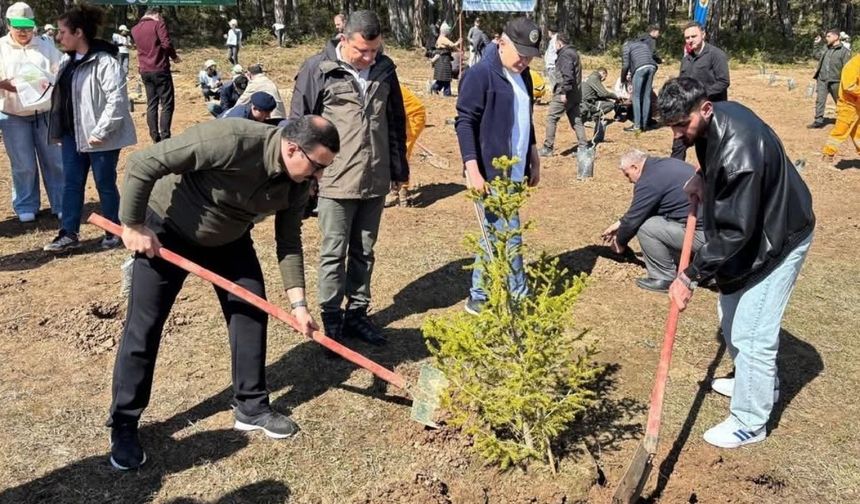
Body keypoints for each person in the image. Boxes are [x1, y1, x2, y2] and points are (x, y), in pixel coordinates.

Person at [106, 115, 339, 471]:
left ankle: (251, 406)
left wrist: (299, 304)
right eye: (318, 166)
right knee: (145, 325)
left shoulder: (296, 182)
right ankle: (124, 421)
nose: (319, 177)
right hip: (167, 229)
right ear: (292, 148)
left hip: (229, 239)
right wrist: (133, 225)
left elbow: (288, 241)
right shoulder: (231, 139)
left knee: (250, 311)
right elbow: (143, 162)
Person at [658, 77, 815, 449]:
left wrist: (690, 275)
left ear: (705, 108)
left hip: (779, 235)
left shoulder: (738, 153)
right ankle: (758, 380)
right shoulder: (714, 123)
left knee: (752, 332)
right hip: (755, 223)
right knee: (729, 315)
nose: (680, 134)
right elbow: (718, 166)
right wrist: (703, 177)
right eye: (673, 127)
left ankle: (750, 421)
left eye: (684, 124)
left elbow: (735, 232)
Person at [291, 10, 409, 347]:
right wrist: (305, 177)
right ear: (344, 40)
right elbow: (298, 125)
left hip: (375, 178)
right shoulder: (318, 69)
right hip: (334, 181)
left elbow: (395, 120)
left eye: (374, 50)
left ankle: (358, 314)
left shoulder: (385, 70)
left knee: (365, 251)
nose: (369, 57)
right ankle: (332, 319)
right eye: (362, 51)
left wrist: (398, 169)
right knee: (333, 252)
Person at [456, 17, 541, 315]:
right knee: (511, 235)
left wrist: (534, 157)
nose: (525, 62)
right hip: (491, 175)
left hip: (517, 171)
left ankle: (478, 295)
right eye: (521, 55)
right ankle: (519, 298)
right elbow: (465, 122)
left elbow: (525, 119)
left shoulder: (524, 75)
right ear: (501, 42)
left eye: (531, 57)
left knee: (492, 233)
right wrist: (473, 169)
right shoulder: (480, 75)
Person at [43, 4, 137, 252]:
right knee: (71, 184)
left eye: (63, 32)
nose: (58, 37)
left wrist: (100, 132)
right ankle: (68, 234)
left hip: (100, 137)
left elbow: (116, 101)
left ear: (79, 33)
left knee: (105, 183)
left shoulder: (105, 62)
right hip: (72, 135)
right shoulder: (66, 61)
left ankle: (113, 231)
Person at [600, 150, 704, 292]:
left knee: (646, 227)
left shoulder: (648, 181)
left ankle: (664, 278)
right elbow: (645, 209)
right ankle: (695, 266)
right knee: (654, 221)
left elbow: (634, 220)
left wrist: (619, 244)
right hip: (718, 229)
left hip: (704, 235)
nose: (629, 180)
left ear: (634, 167)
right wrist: (619, 223)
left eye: (627, 174)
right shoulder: (664, 165)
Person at [0, 2, 64, 223]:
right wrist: (21, 87)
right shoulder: (1, 48)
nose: (23, 31)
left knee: (55, 161)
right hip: (13, 115)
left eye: (27, 26)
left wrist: (47, 84)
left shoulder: (46, 45)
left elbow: (59, 71)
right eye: (18, 26)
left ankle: (61, 202)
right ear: (9, 25)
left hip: (45, 113)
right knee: (23, 164)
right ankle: (26, 204)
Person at [672, 21, 730, 160]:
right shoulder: (686, 58)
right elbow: (682, 81)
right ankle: (673, 173)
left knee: (706, 148)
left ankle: (709, 177)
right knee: (679, 143)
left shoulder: (716, 55)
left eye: (694, 36)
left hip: (711, 110)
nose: (690, 40)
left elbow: (723, 82)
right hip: (688, 109)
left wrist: (701, 95)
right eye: (687, 38)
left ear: (703, 35)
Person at [131, 6, 179, 143]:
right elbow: (166, 44)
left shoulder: (135, 29)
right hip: (160, 68)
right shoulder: (158, 24)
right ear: (156, 15)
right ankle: (165, 136)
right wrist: (174, 57)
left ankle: (154, 136)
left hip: (145, 71)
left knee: (151, 104)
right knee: (167, 103)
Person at [539, 32, 587, 156]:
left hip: (565, 92)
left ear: (559, 43)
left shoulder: (564, 55)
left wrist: (564, 92)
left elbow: (568, 76)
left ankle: (547, 147)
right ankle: (583, 148)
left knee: (551, 118)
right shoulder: (573, 53)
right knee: (576, 120)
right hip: (576, 93)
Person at [385, 84, 426, 208]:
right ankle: (394, 189)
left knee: (400, 154)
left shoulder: (385, 87)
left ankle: (403, 193)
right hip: (402, 116)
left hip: (413, 116)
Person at [809, 28, 851, 129]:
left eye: (829, 36)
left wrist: (845, 82)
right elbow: (816, 56)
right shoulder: (825, 48)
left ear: (836, 37)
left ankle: (846, 121)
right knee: (820, 100)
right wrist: (816, 44)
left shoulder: (844, 51)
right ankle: (818, 121)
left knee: (840, 101)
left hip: (836, 81)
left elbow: (847, 68)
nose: (826, 38)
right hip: (822, 79)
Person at [822, 54, 860, 160]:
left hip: (857, 105)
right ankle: (827, 154)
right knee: (840, 131)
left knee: (858, 133)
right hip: (848, 106)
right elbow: (849, 86)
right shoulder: (853, 65)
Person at [621, 32, 659, 133]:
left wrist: (622, 79)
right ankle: (645, 124)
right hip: (652, 67)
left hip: (640, 68)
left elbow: (625, 65)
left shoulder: (626, 46)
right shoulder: (643, 45)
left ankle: (637, 126)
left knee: (636, 97)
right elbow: (651, 56)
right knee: (646, 96)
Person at [543, 25, 558, 100]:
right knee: (553, 83)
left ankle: (556, 99)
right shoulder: (553, 40)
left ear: (550, 31)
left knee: (554, 84)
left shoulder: (555, 40)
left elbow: (557, 51)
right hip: (550, 66)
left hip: (553, 66)